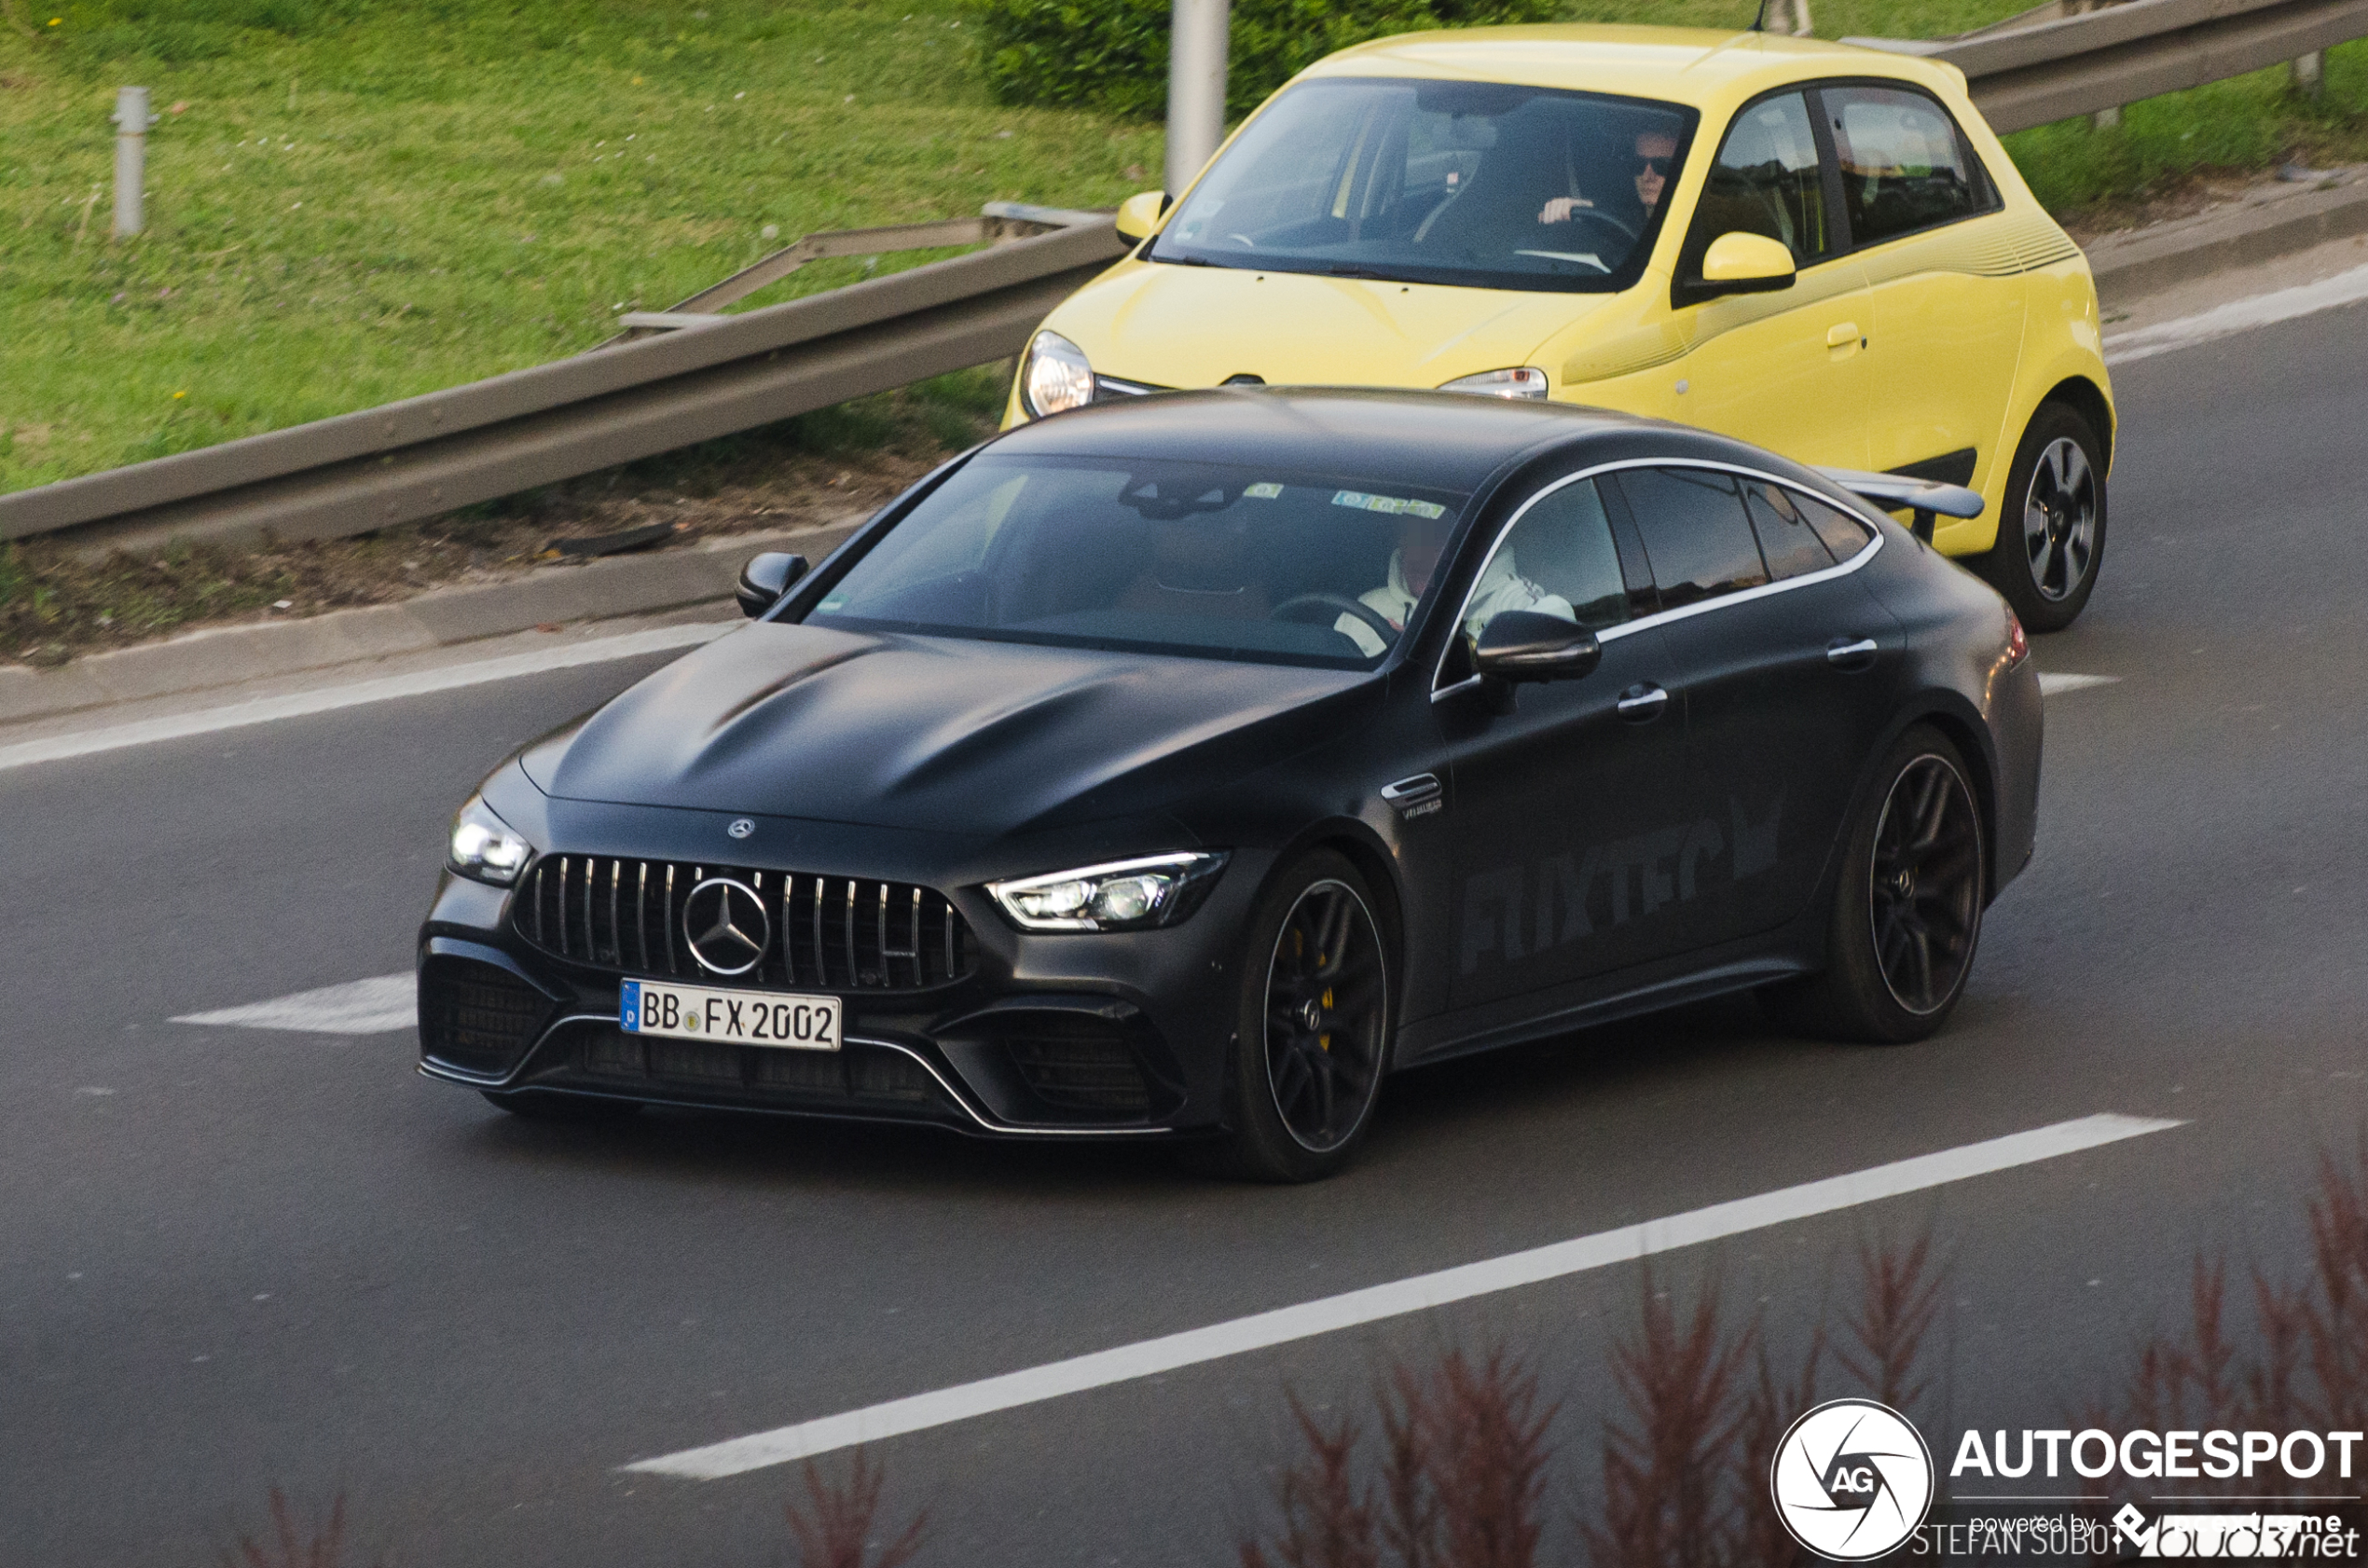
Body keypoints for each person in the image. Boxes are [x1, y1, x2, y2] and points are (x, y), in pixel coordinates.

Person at [1334, 515, 1574, 657]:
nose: (1422, 537)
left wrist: (1439, 649)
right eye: (1413, 525)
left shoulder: (1507, 595)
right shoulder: (1365, 607)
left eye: (1435, 529)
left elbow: (1558, 623)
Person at [1537, 129, 1680, 227]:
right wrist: (1571, 209)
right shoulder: (1627, 218)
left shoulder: (1691, 228)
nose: (1647, 176)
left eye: (1661, 166)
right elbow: (1616, 214)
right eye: (1638, 164)